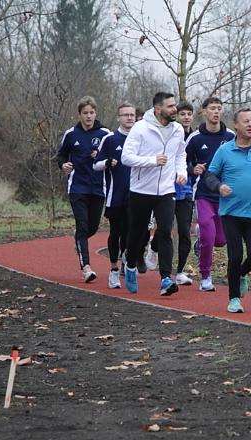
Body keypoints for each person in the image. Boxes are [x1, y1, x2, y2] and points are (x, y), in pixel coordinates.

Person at [204, 108, 251, 313]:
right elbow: (210, 175)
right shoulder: (225, 150)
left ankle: (242, 274)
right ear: (236, 125)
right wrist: (219, 187)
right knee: (235, 256)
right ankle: (234, 299)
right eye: (246, 121)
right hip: (230, 213)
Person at [121, 92, 188, 296]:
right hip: (141, 189)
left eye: (174, 105)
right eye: (170, 106)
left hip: (166, 190)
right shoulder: (141, 128)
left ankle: (166, 279)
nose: (174, 109)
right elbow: (126, 157)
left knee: (166, 230)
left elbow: (180, 154)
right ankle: (130, 265)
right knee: (138, 232)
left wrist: (181, 172)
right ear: (158, 109)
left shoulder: (177, 129)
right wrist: (152, 160)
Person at [56, 96, 111, 283]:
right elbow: (61, 155)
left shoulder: (105, 134)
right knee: (82, 225)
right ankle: (86, 267)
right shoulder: (71, 134)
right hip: (77, 186)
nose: (89, 116)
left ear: (96, 113)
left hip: (98, 187)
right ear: (79, 115)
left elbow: (113, 157)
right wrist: (63, 165)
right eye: (85, 113)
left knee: (92, 227)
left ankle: (80, 239)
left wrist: (101, 155)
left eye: (92, 112)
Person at [185, 97, 235, 292]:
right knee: (207, 230)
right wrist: (192, 169)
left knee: (221, 240)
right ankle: (205, 276)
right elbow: (182, 160)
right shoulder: (195, 138)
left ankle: (201, 240)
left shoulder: (231, 136)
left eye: (219, 108)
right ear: (204, 112)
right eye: (212, 108)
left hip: (225, 194)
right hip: (203, 193)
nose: (216, 112)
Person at [145, 100, 195, 285]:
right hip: (167, 187)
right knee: (165, 228)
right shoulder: (168, 134)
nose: (186, 117)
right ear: (176, 116)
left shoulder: (195, 137)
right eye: (182, 114)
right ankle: (153, 247)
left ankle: (180, 271)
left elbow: (196, 162)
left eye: (189, 114)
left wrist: (190, 172)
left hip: (186, 189)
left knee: (184, 230)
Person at [92, 102, 136, 288]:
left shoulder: (141, 138)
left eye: (132, 115)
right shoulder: (110, 139)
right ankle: (113, 269)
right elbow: (96, 164)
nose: (129, 118)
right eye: (125, 115)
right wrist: (108, 162)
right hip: (115, 194)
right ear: (118, 118)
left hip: (137, 195)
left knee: (133, 233)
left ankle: (128, 259)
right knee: (116, 232)